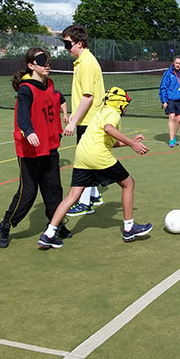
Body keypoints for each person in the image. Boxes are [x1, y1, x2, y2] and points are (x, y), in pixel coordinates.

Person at [37, 87, 152, 248]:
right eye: (126, 104)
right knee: (128, 184)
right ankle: (129, 228)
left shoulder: (102, 112)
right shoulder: (113, 114)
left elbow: (107, 140)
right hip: (98, 156)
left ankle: (49, 233)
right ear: (119, 103)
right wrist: (132, 144)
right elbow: (108, 129)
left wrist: (129, 141)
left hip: (82, 155)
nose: (126, 107)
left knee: (72, 195)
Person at [0, 48, 72, 248]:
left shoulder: (49, 84)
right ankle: (5, 225)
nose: (47, 65)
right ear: (31, 65)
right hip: (30, 148)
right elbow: (22, 115)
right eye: (41, 61)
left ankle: (55, 225)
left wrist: (62, 122)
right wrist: (28, 130)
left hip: (50, 145)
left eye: (48, 61)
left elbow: (56, 101)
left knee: (54, 189)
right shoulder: (26, 89)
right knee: (28, 193)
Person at [61, 25, 106, 217]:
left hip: (89, 120)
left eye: (68, 44)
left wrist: (73, 121)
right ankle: (94, 195)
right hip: (87, 119)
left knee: (84, 161)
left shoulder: (87, 63)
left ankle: (85, 202)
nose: (66, 48)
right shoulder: (81, 61)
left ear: (79, 43)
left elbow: (88, 97)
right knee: (90, 158)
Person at [159, 56, 180, 147]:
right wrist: (164, 101)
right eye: (176, 63)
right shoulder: (168, 73)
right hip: (170, 100)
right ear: (173, 63)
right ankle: (171, 140)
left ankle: (173, 136)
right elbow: (163, 87)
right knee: (172, 117)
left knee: (178, 120)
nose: (178, 65)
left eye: (179, 63)